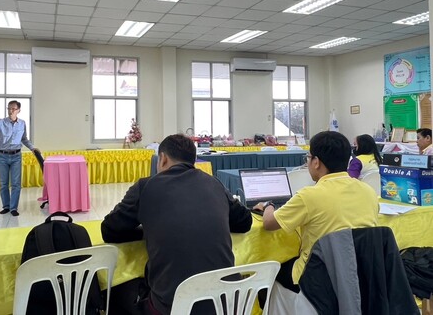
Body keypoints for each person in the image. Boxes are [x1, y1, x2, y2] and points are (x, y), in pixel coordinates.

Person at [101, 134, 252, 315]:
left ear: (163, 159)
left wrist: (146, 231)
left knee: (117, 289)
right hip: (227, 304)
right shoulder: (214, 183)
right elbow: (245, 222)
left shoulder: (146, 187)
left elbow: (109, 230)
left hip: (173, 307)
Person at [253, 131, 378, 295]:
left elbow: (269, 224)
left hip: (317, 277)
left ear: (316, 162)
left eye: (308, 157)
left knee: (265, 275)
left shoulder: (309, 196)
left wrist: (268, 205)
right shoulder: (368, 191)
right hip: (359, 274)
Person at [0, 100, 39, 216]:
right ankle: (6, 206)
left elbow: (24, 139)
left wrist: (32, 148)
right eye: (9, 108)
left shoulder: (22, 123)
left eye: (13, 109)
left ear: (18, 110)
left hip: (16, 156)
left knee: (16, 184)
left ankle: (13, 208)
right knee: (3, 183)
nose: (10, 111)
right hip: (2, 156)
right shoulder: (1, 122)